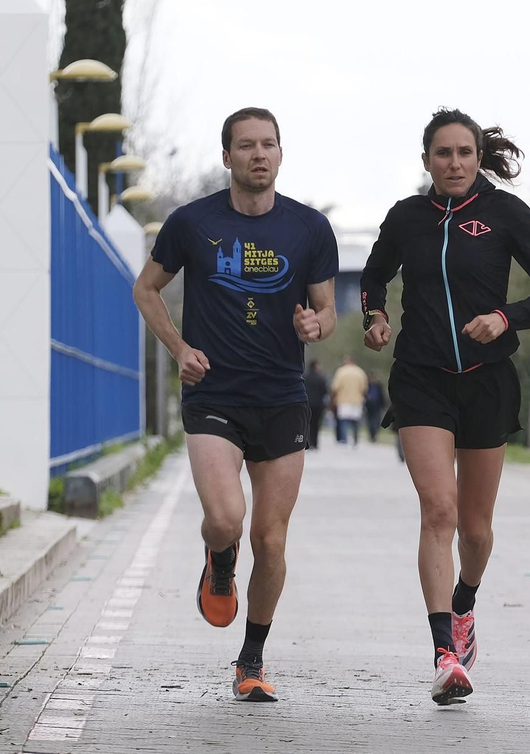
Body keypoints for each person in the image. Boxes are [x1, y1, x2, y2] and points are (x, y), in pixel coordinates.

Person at [360, 108, 530, 705]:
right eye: (443, 153)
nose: (454, 163)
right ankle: (444, 651)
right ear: (426, 159)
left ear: (480, 158)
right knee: (438, 509)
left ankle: (465, 604)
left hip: (487, 379)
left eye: (465, 153)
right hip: (421, 378)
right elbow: (373, 278)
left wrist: (506, 317)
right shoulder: (406, 217)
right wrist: (376, 316)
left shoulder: (506, 214)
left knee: (475, 530)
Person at [133, 107, 338, 703]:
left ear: (280, 154)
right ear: (227, 156)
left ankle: (251, 659)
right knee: (226, 520)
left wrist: (314, 324)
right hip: (214, 393)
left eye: (268, 144)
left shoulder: (309, 229)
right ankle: (219, 562)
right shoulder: (191, 223)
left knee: (270, 540)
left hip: (281, 397)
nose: (258, 154)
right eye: (246, 145)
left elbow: (326, 311)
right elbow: (147, 289)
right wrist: (179, 347)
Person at [330, 355, 368, 447]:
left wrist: (333, 399)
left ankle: (344, 440)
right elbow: (364, 388)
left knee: (344, 421)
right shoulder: (360, 372)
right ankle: (355, 440)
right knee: (355, 421)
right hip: (357, 400)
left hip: (343, 400)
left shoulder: (341, 372)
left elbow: (335, 387)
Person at [303, 360, 329, 450]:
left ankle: (308, 442)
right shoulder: (321, 378)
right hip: (318, 404)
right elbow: (325, 391)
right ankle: (315, 443)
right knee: (316, 424)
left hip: (307, 403)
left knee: (308, 424)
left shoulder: (305, 376)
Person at [364, 378, 386, 443]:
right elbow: (382, 396)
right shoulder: (378, 385)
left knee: (370, 420)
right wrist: (384, 405)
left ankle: (372, 434)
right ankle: (374, 433)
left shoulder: (368, 385)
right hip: (377, 406)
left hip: (370, 406)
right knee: (376, 420)